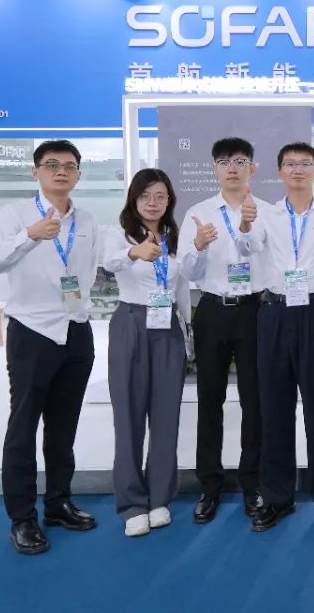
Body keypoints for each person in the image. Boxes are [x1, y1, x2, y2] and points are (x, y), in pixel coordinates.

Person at [0, 140, 100, 554]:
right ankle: (22, 517)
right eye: (52, 165)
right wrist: (30, 236)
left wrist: (80, 307)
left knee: (64, 426)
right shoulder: (14, 214)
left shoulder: (86, 219)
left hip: (76, 329)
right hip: (32, 331)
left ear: (78, 174)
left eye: (69, 165)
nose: (61, 171)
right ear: (36, 172)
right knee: (23, 425)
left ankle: (58, 503)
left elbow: (88, 270)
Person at [236, 142, 314, 532]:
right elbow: (247, 248)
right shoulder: (265, 214)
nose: (297, 169)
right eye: (290, 164)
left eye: (305, 164)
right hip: (275, 312)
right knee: (274, 409)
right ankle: (277, 498)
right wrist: (245, 224)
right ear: (280, 171)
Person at [178, 137, 267, 523]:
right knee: (209, 400)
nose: (232, 168)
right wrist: (198, 246)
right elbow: (187, 271)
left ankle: (253, 483)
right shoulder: (198, 213)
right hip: (212, 310)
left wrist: (246, 226)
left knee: (255, 402)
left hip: (254, 311)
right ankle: (210, 486)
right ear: (214, 169)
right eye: (225, 162)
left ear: (253, 168)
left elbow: (261, 256)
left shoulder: (267, 212)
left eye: (240, 161)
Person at [103, 169, 193, 537]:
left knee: (167, 415)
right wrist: (132, 251)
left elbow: (181, 288)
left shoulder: (175, 237)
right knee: (128, 415)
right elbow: (108, 262)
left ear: (169, 200)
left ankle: (159, 498)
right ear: (134, 199)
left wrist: (187, 333)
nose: (153, 203)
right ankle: (131, 503)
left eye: (160, 196)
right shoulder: (118, 234)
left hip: (167, 326)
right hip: (131, 323)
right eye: (145, 196)